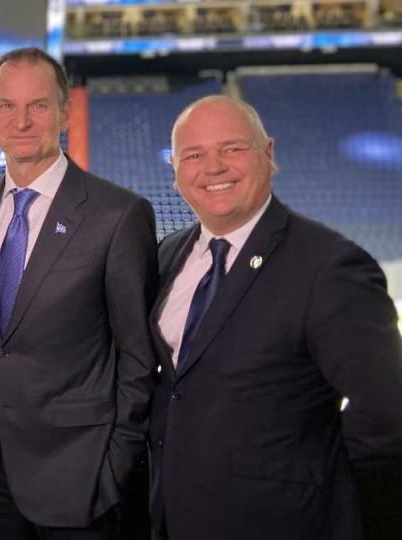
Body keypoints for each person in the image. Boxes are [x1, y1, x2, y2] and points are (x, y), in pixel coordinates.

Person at [150, 94, 402, 540]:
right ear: (175, 173)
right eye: (194, 155)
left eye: (232, 149)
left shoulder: (330, 265)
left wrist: (325, 486)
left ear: (269, 154)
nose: (214, 168)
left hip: (284, 522)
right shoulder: (168, 256)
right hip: (172, 517)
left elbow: (387, 411)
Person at [0, 47, 158, 539]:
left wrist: (115, 468)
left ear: (64, 111)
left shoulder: (118, 215)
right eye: (7, 106)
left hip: (79, 479)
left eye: (38, 105)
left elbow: (138, 358)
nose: (21, 121)